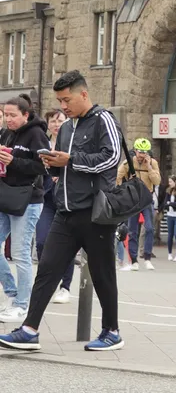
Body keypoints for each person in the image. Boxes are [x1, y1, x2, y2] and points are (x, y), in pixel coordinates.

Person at [0, 70, 124, 351]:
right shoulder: (66, 127)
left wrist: (71, 160)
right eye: (59, 100)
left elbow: (112, 158)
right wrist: (49, 161)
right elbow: (61, 166)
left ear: (83, 94)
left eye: (67, 100)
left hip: (96, 212)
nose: (63, 106)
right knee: (47, 269)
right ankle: (29, 330)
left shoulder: (103, 119)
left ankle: (112, 331)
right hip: (65, 211)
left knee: (103, 273)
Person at [0, 95, 50, 322]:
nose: (7, 119)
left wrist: (13, 162)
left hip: (28, 200)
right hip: (6, 196)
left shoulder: (36, 134)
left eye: (12, 115)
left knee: (20, 253)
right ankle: (12, 293)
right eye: (5, 114)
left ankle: (22, 304)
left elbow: (42, 166)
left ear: (25, 115)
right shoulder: (7, 133)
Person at [33, 109, 76, 305]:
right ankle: (49, 279)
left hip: (67, 199)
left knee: (67, 246)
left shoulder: (72, 143)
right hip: (47, 198)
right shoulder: (43, 144)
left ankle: (65, 287)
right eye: (53, 121)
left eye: (60, 120)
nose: (56, 124)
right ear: (48, 124)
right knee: (42, 241)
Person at [118, 138, 160, 271]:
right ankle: (134, 260)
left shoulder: (153, 163)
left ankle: (147, 258)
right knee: (132, 230)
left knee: (149, 228)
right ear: (135, 151)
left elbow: (157, 181)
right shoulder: (128, 163)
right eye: (140, 152)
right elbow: (118, 177)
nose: (142, 155)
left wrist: (149, 168)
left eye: (145, 152)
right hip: (133, 199)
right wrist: (121, 191)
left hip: (147, 199)